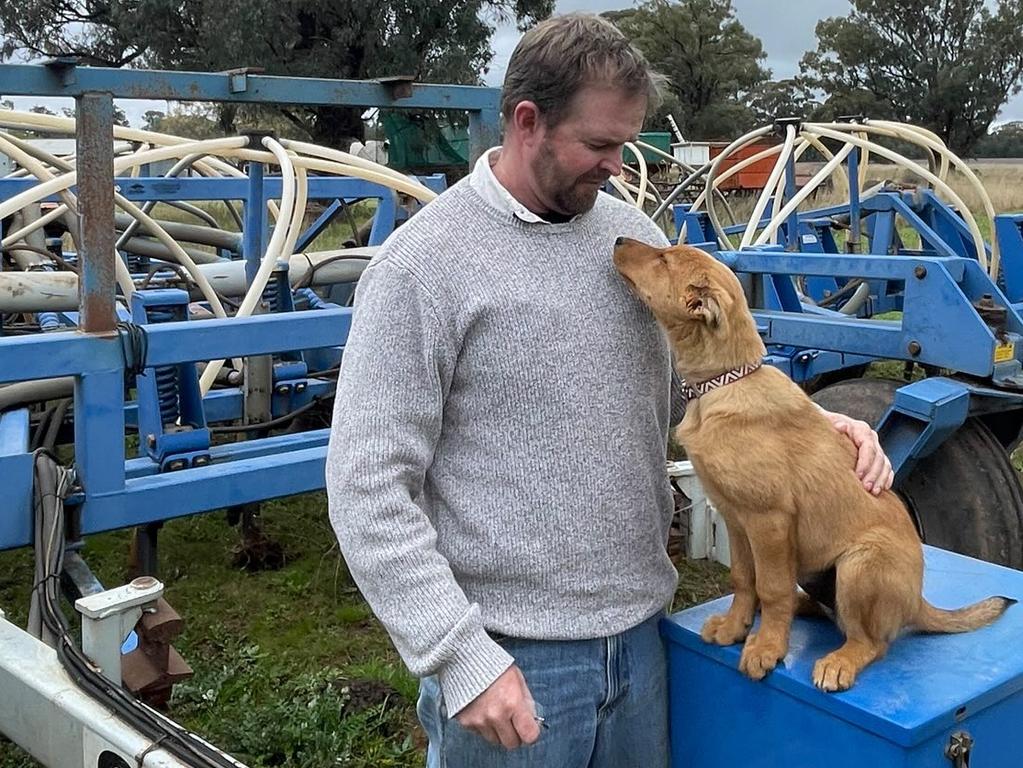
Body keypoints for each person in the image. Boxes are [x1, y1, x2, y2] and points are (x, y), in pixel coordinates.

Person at [326, 12, 894, 768]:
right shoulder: (421, 270)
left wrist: (813, 429)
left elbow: (689, 388)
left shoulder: (620, 234)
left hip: (640, 638)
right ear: (527, 122)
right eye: (598, 145)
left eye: (624, 144)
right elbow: (365, 484)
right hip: (509, 663)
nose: (616, 167)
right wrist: (458, 656)